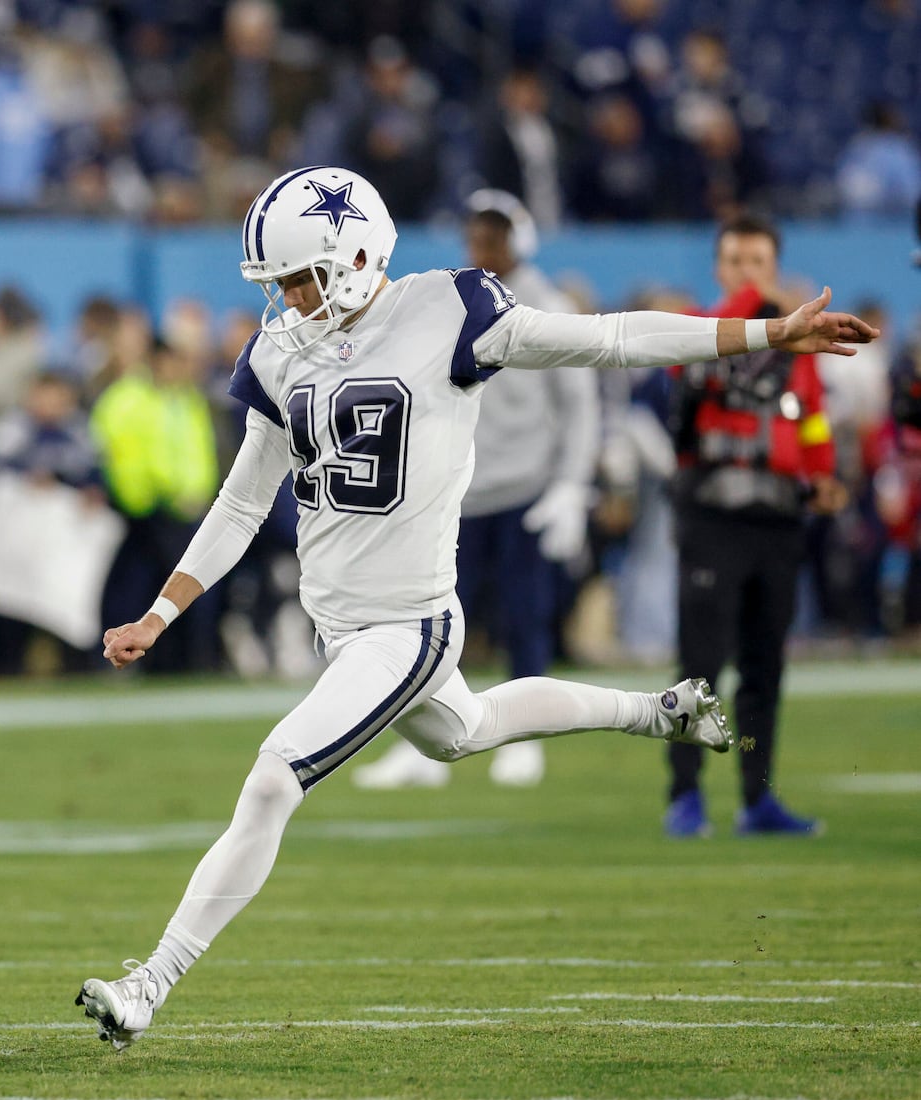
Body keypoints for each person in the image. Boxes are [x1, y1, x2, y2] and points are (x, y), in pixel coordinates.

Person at [75, 165, 877, 1051]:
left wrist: (767, 330)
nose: (289, 299)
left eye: (300, 277)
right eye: (278, 283)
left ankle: (151, 980)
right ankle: (660, 711)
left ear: (356, 254)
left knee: (272, 778)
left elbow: (608, 338)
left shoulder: (449, 310)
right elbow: (239, 501)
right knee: (466, 729)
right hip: (342, 626)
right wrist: (162, 610)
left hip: (408, 621)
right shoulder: (280, 353)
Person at [352, 191, 598, 790]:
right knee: (430, 624)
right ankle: (424, 744)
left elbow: (580, 406)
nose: (482, 248)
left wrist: (571, 486)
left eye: (494, 237)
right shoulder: (453, 301)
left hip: (525, 488)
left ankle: (525, 743)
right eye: (475, 237)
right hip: (455, 491)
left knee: (524, 619)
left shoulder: (546, 303)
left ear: (520, 240)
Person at [663, 215, 847, 838]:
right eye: (735, 261)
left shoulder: (801, 351)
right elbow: (692, 383)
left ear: (775, 266)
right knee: (701, 665)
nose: (746, 273)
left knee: (765, 668)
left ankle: (757, 798)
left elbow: (811, 419)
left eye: (757, 263)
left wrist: (823, 475)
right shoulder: (694, 329)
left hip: (778, 522)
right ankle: (684, 795)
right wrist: (763, 308)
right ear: (718, 270)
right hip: (711, 517)